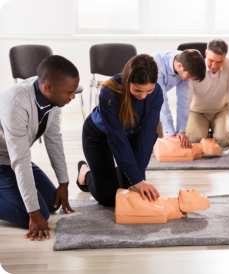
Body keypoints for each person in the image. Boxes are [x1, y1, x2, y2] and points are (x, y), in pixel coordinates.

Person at [0, 55, 79, 241]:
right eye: (69, 92)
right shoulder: (15, 105)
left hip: (11, 157)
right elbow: (21, 161)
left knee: (53, 204)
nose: (73, 96)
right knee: (39, 213)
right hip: (5, 160)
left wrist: (64, 182)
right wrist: (34, 214)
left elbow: (53, 139)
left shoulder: (54, 98)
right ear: (48, 88)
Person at [76, 54, 163, 206]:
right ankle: (86, 172)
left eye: (148, 90)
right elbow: (117, 138)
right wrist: (135, 178)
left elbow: (147, 134)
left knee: (129, 190)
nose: (143, 96)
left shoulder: (156, 93)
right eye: (137, 90)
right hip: (99, 136)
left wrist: (138, 178)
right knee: (109, 198)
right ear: (129, 79)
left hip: (130, 135)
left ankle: (116, 169)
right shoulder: (108, 91)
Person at [186, 39, 229, 148]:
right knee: (195, 139)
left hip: (220, 110)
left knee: (225, 140)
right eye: (211, 60)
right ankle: (205, 132)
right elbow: (186, 101)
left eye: (219, 62)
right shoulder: (195, 67)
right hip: (197, 111)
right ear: (206, 53)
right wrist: (180, 131)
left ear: (225, 57)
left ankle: (213, 134)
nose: (214, 66)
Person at [152, 50, 206, 149]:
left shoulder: (185, 64)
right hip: (139, 99)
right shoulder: (156, 66)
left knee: (165, 145)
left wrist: (181, 130)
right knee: (153, 142)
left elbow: (183, 101)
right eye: (189, 76)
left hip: (154, 99)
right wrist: (172, 134)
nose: (190, 79)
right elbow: (162, 102)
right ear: (179, 66)